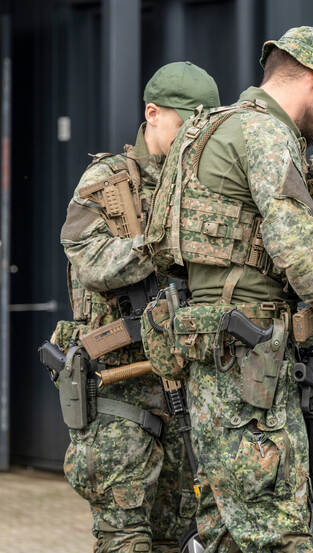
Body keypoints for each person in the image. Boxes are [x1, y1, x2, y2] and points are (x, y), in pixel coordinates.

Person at [149, 27, 313, 552]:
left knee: (223, 531)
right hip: (249, 365)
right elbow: (299, 248)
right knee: (277, 532)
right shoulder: (265, 133)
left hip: (211, 355)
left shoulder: (210, 130)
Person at [55, 61, 220, 553]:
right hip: (119, 390)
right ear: (153, 114)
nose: (195, 139)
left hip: (181, 388)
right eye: (187, 125)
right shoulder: (106, 181)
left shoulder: (201, 184)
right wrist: (164, 243)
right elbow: (92, 261)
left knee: (177, 536)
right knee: (124, 538)